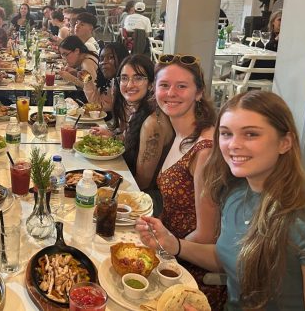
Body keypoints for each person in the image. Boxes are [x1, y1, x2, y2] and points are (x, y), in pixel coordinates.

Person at [136, 90, 305, 310]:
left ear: (285, 142)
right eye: (226, 133)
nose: (234, 144)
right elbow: (226, 256)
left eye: (251, 134)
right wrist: (174, 244)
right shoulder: (235, 196)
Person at [153, 54, 225, 309]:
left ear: (198, 93)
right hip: (168, 246)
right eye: (164, 85)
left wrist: (160, 256)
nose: (171, 93)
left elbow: (206, 235)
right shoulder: (182, 134)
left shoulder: (204, 149)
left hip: (188, 278)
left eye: (181, 86)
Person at [90, 55, 173, 194]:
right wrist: (112, 136)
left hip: (149, 200)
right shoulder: (138, 109)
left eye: (138, 78)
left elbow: (143, 183)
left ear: (152, 83)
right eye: (124, 78)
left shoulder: (152, 124)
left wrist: (105, 185)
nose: (129, 84)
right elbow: (134, 142)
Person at [82, 42, 129, 112]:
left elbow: (108, 107)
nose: (104, 62)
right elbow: (96, 103)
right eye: (101, 59)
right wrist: (87, 81)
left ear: (122, 59)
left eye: (110, 57)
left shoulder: (128, 85)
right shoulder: (110, 81)